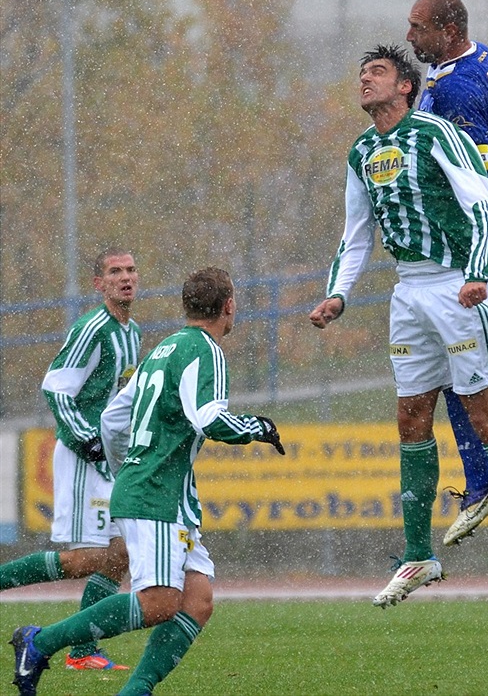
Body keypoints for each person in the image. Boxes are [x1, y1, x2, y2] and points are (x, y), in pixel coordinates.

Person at [309, 44, 488, 615]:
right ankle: (420, 555)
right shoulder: (362, 151)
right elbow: (355, 234)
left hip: (459, 283)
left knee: (486, 413)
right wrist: (338, 293)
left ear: (406, 87)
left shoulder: (438, 132)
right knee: (411, 415)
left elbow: (482, 206)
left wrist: (475, 276)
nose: (366, 79)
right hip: (409, 292)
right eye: (362, 72)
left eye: (379, 72)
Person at [10, 266, 286, 696]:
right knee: (159, 603)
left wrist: (127, 465)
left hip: (163, 495)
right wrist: (257, 428)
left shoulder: (164, 347)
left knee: (197, 601)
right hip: (155, 495)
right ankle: (39, 642)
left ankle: (134, 691)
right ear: (229, 307)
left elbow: (114, 417)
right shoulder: (205, 350)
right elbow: (209, 417)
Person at [406, 0, 488, 550]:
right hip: (487, 231)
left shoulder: (457, 88)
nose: (410, 38)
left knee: (476, 367)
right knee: (481, 361)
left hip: (476, 239)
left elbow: (472, 176)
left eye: (418, 28)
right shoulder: (474, 58)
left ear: (449, 29)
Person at [1, 248, 141, 671]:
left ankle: (82, 651)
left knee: (122, 553)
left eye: (131, 270)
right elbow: (57, 386)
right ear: (99, 284)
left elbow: (118, 396)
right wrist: (86, 438)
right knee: (86, 560)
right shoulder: (93, 328)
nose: (125, 278)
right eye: (115, 272)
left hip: (109, 457)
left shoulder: (131, 332)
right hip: (83, 457)